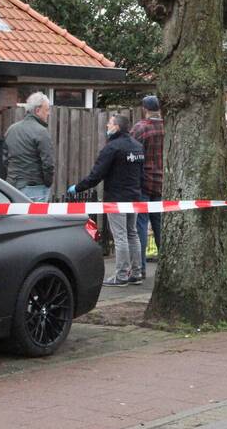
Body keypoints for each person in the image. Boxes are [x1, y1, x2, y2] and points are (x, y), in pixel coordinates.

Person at [69, 114, 145, 287]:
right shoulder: (137, 147)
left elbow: (96, 175)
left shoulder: (112, 148)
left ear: (117, 127)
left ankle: (121, 276)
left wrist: (77, 188)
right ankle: (136, 272)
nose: (106, 126)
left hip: (117, 198)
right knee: (132, 233)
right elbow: (142, 175)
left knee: (120, 236)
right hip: (134, 197)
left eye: (109, 123)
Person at [131, 95, 164, 277]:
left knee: (141, 225)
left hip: (143, 182)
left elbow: (131, 151)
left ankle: (140, 268)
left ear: (145, 108)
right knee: (159, 225)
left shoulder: (140, 128)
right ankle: (166, 266)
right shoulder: (167, 127)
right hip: (161, 181)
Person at [4, 92, 55, 201]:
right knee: (36, 218)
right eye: (46, 110)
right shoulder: (41, 132)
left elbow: (5, 159)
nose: (48, 113)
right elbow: (48, 163)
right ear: (37, 110)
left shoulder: (11, 130)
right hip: (35, 187)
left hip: (12, 186)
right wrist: (47, 183)